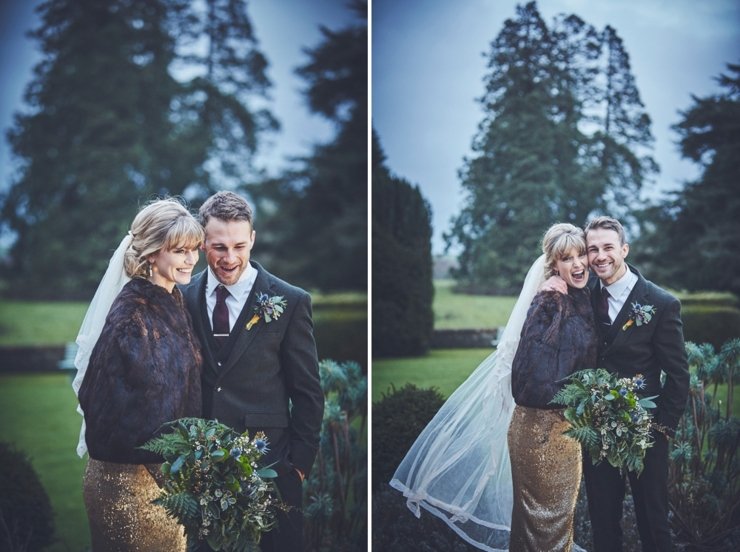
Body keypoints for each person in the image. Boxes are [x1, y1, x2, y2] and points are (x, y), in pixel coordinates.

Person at [391, 223, 596, 552]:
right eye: (566, 258)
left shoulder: (578, 297)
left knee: (553, 524)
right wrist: (577, 396)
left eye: (581, 254)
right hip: (541, 431)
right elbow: (529, 376)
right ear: (553, 264)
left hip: (564, 432)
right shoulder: (549, 303)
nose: (577, 263)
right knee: (545, 526)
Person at [181, 191, 324, 552]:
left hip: (271, 467)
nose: (230, 258)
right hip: (200, 471)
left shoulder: (290, 301)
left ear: (253, 240)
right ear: (201, 243)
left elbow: (307, 391)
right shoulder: (182, 298)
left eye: (240, 246)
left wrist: (299, 466)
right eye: (219, 247)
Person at [545, 216, 689, 552]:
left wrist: (662, 428)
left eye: (607, 247)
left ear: (623, 249)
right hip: (596, 431)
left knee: (653, 522)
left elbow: (678, 374)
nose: (599, 256)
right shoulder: (584, 294)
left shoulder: (661, 303)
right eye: (592, 249)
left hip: (645, 430)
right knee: (603, 522)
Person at [73, 198, 204, 551]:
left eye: (194, 249)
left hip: (166, 486)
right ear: (150, 254)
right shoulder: (130, 317)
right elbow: (103, 407)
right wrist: (170, 470)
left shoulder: (173, 300)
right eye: (179, 250)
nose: (192, 259)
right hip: (128, 488)